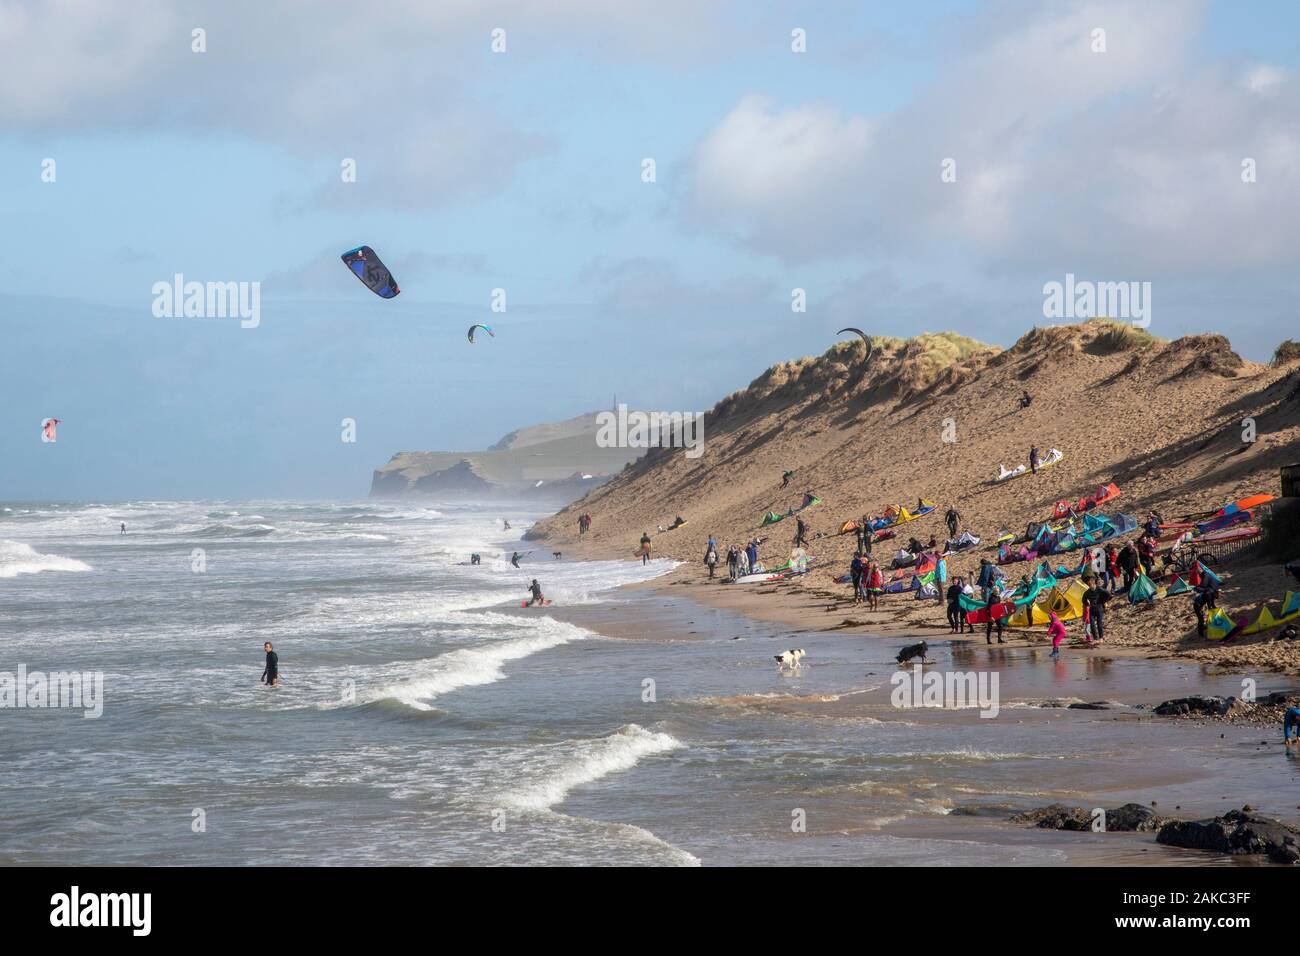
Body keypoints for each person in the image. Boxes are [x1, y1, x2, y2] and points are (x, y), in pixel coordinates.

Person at [1082, 577, 1111, 643]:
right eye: (1088, 585)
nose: (1089, 586)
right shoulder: (1087, 592)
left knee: (1099, 623)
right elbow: (1083, 599)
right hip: (1092, 609)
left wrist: (1103, 601)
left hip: (1099, 608)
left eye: (1090, 584)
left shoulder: (1099, 589)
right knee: (1092, 624)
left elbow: (1108, 595)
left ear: (1093, 583)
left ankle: (1101, 637)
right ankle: (1095, 638)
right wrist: (1087, 604)